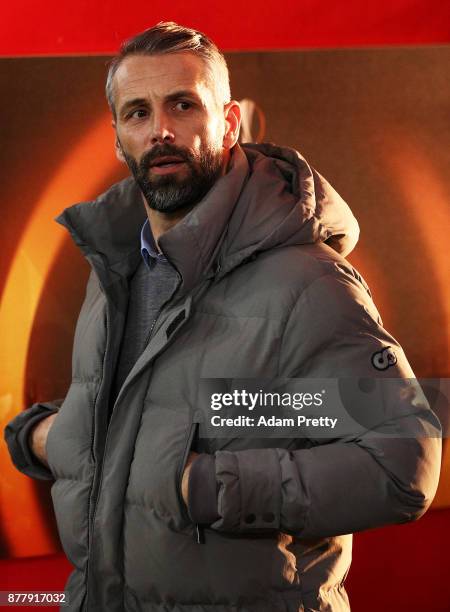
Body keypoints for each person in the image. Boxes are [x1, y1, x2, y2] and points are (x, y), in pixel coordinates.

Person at [4, 21, 442, 612]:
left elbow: (402, 463)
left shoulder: (308, 284)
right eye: (137, 113)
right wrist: (40, 436)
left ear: (230, 122)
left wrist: (205, 486)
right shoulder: (115, 269)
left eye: (182, 105)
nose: (159, 130)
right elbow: (173, 409)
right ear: (116, 137)